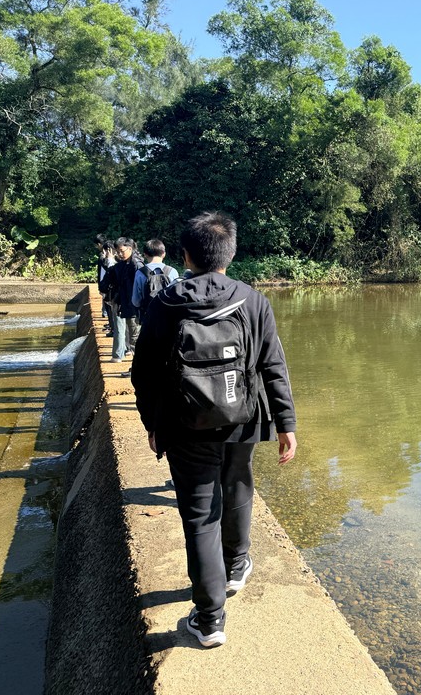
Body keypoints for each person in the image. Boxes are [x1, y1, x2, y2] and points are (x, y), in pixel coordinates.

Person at [131, 211, 297, 648]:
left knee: (200, 516)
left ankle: (209, 621)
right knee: (239, 487)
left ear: (185, 256)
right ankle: (237, 567)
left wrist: (152, 423)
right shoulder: (253, 301)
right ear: (231, 254)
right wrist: (286, 423)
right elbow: (273, 366)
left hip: (184, 426)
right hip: (243, 419)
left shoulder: (166, 303)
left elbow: (143, 372)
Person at [99, 237, 143, 362]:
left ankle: (135, 364)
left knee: (134, 335)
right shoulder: (122, 265)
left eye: (122, 251)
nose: (119, 254)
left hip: (133, 305)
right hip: (124, 303)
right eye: (118, 251)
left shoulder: (136, 265)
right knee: (130, 333)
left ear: (130, 249)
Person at [131, 238, 179, 321]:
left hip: (148, 316)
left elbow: (136, 301)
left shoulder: (140, 273)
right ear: (164, 254)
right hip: (169, 316)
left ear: (145, 254)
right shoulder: (172, 271)